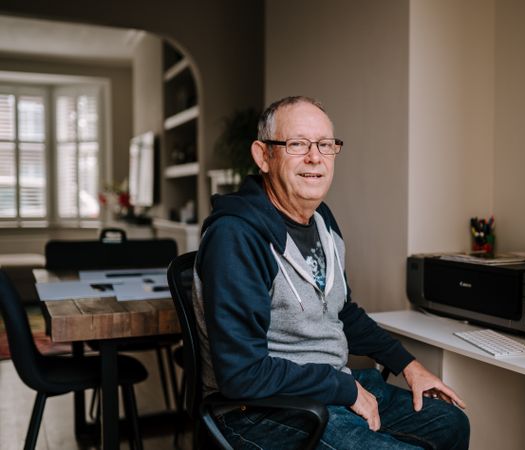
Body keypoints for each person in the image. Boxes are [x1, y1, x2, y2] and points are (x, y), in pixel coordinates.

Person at [193, 96, 470, 449]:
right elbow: (241, 374)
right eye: (297, 144)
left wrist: (409, 365)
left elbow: (340, 312)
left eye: (325, 145)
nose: (315, 157)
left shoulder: (322, 221)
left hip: (330, 388)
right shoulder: (236, 236)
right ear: (264, 155)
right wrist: (342, 388)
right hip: (261, 410)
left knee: (450, 423)